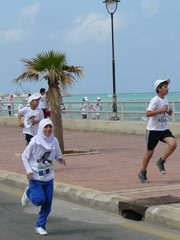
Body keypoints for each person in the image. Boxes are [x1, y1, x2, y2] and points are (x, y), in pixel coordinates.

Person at [21, 118, 66, 236]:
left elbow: (57, 155)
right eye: (45, 127)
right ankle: (29, 192)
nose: (48, 129)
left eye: (50, 127)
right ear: (41, 128)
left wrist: (60, 159)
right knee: (39, 200)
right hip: (35, 178)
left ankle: (40, 226)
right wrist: (29, 170)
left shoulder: (54, 141)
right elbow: (24, 157)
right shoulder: (34, 142)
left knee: (47, 205)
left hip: (48, 177)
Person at [138, 79, 177, 183]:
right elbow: (148, 114)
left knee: (173, 144)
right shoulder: (155, 100)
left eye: (167, 86)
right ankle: (143, 171)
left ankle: (161, 161)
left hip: (163, 129)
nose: (167, 88)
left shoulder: (165, 100)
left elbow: (164, 112)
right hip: (153, 130)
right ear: (159, 89)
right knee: (150, 153)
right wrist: (161, 110)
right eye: (165, 86)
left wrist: (168, 112)